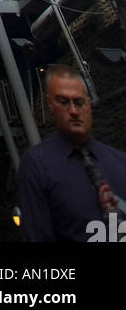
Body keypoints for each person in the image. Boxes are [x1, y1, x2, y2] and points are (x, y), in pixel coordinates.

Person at [18, 63, 126, 241]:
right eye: (63, 102)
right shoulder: (37, 165)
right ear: (50, 104)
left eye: (79, 102)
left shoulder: (120, 162)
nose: (73, 111)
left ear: (88, 104)